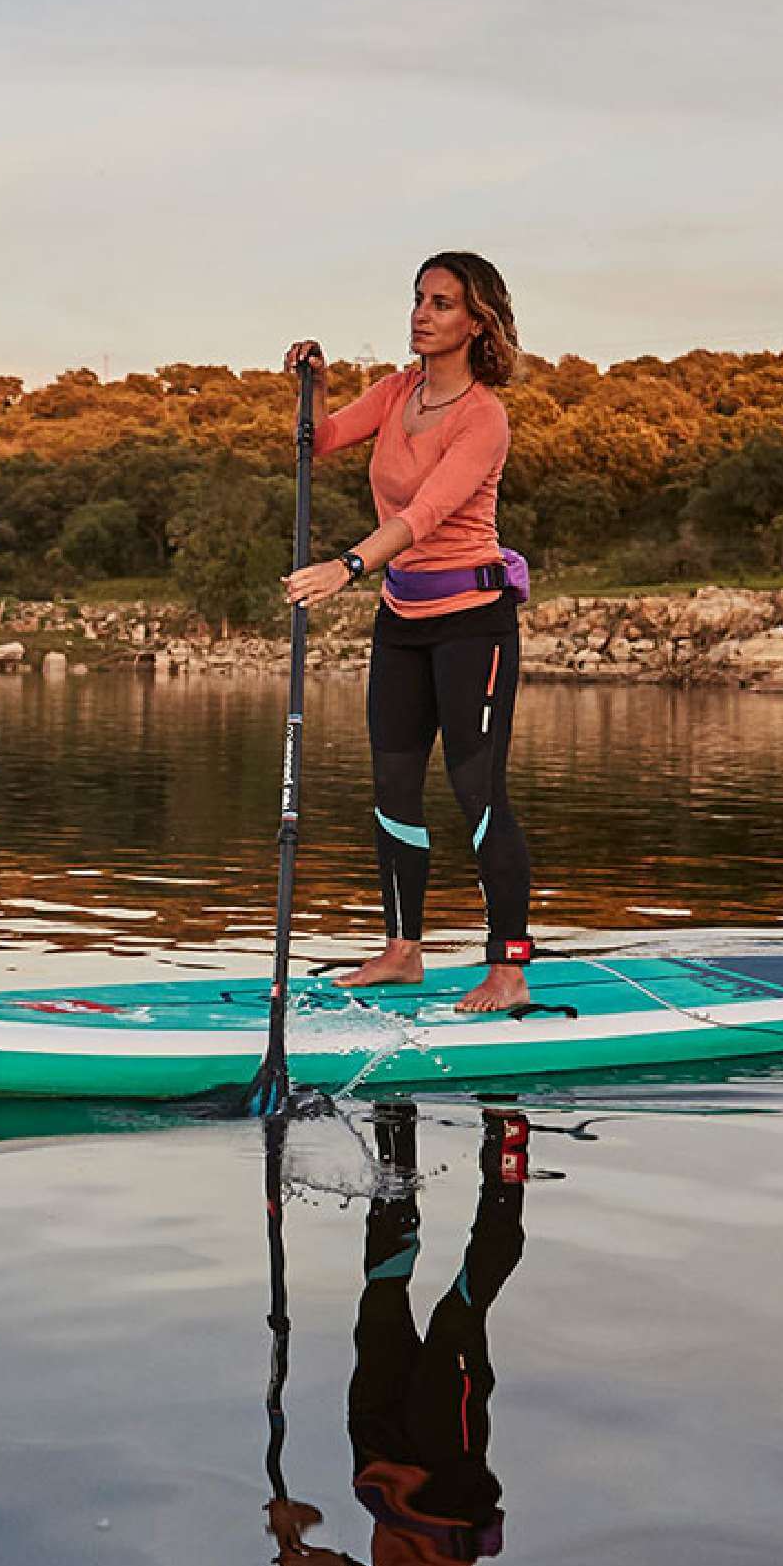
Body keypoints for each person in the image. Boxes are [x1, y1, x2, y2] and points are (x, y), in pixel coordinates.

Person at [263, 1105, 532, 1566]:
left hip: (379, 1467)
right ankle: (506, 1154)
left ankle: (394, 1135)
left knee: (379, 1298)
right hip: (444, 1483)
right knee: (457, 1319)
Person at [279, 252, 535, 1014]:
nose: (422, 313)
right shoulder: (397, 392)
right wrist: (316, 387)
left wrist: (347, 566)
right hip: (403, 621)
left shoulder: (484, 417)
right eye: (419, 298)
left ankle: (509, 967)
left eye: (442, 303)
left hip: (473, 628)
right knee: (393, 787)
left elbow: (426, 515)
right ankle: (403, 950)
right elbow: (317, 442)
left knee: (476, 791)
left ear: (476, 321)